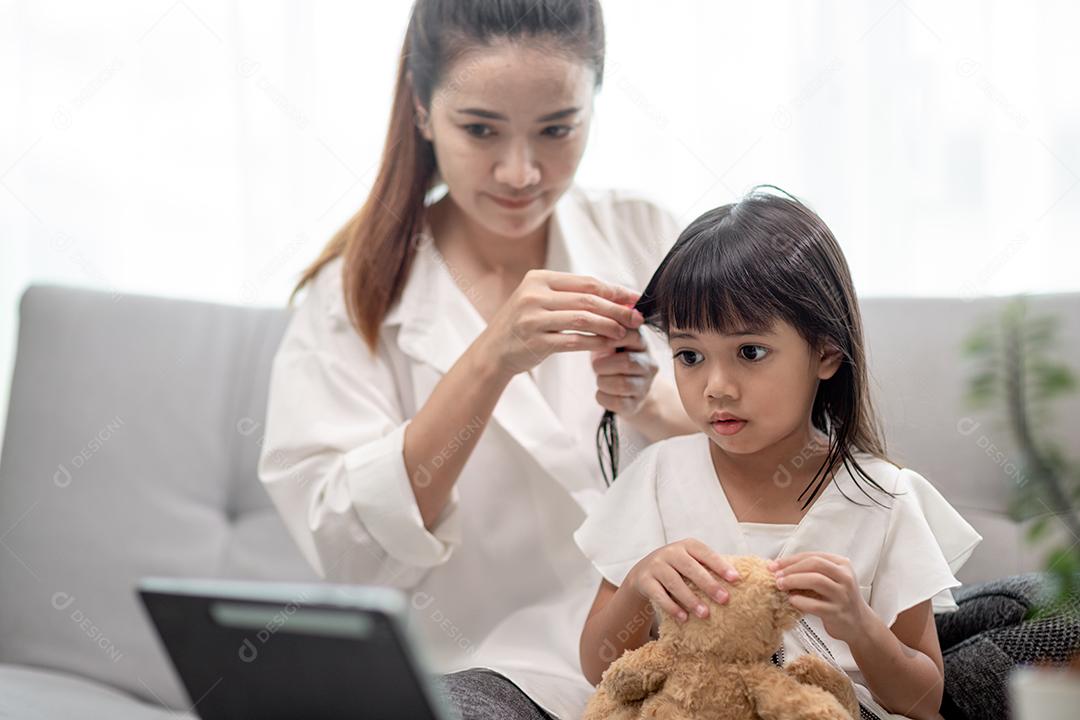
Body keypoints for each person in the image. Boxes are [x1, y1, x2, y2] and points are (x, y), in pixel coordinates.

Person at [257, 1, 697, 718]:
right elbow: (350, 551)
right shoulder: (352, 296)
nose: (521, 172)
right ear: (422, 110)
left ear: (594, 103)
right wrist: (489, 360)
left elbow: (790, 452)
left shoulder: (647, 236)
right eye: (481, 129)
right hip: (486, 676)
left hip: (679, 659)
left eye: (557, 129)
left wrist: (650, 402)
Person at [576, 190, 984, 720]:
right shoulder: (658, 477)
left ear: (827, 352)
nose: (717, 386)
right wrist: (637, 584)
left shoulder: (884, 498)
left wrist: (859, 625)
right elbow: (598, 668)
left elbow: (925, 701)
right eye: (690, 356)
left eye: (750, 352)